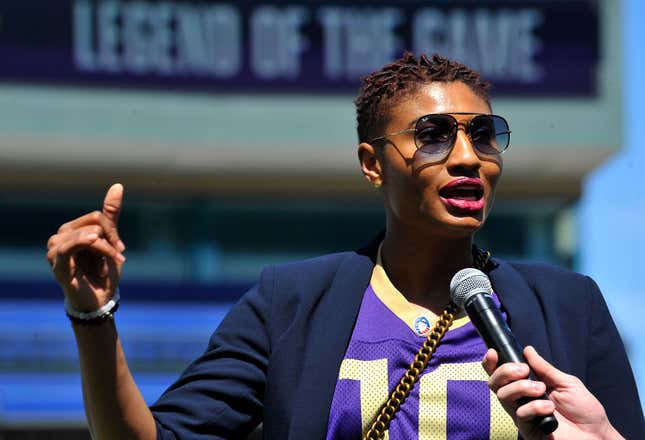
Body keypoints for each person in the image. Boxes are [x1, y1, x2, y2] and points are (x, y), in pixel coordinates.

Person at [46, 53, 643, 439]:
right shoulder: (292, 302)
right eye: (432, 137)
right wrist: (93, 318)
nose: (467, 158)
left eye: (483, 135)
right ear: (372, 164)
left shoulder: (569, 304)